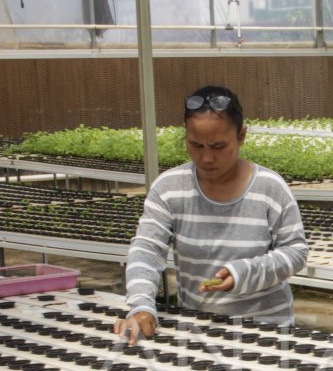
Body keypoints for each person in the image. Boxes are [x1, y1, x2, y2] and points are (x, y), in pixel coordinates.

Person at [114, 85, 308, 345]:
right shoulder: (169, 189)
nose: (206, 157)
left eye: (218, 146)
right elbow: (147, 250)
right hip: (199, 330)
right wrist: (141, 305)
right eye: (196, 145)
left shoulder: (269, 188)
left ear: (241, 136)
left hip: (266, 334)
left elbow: (295, 251)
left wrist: (243, 273)